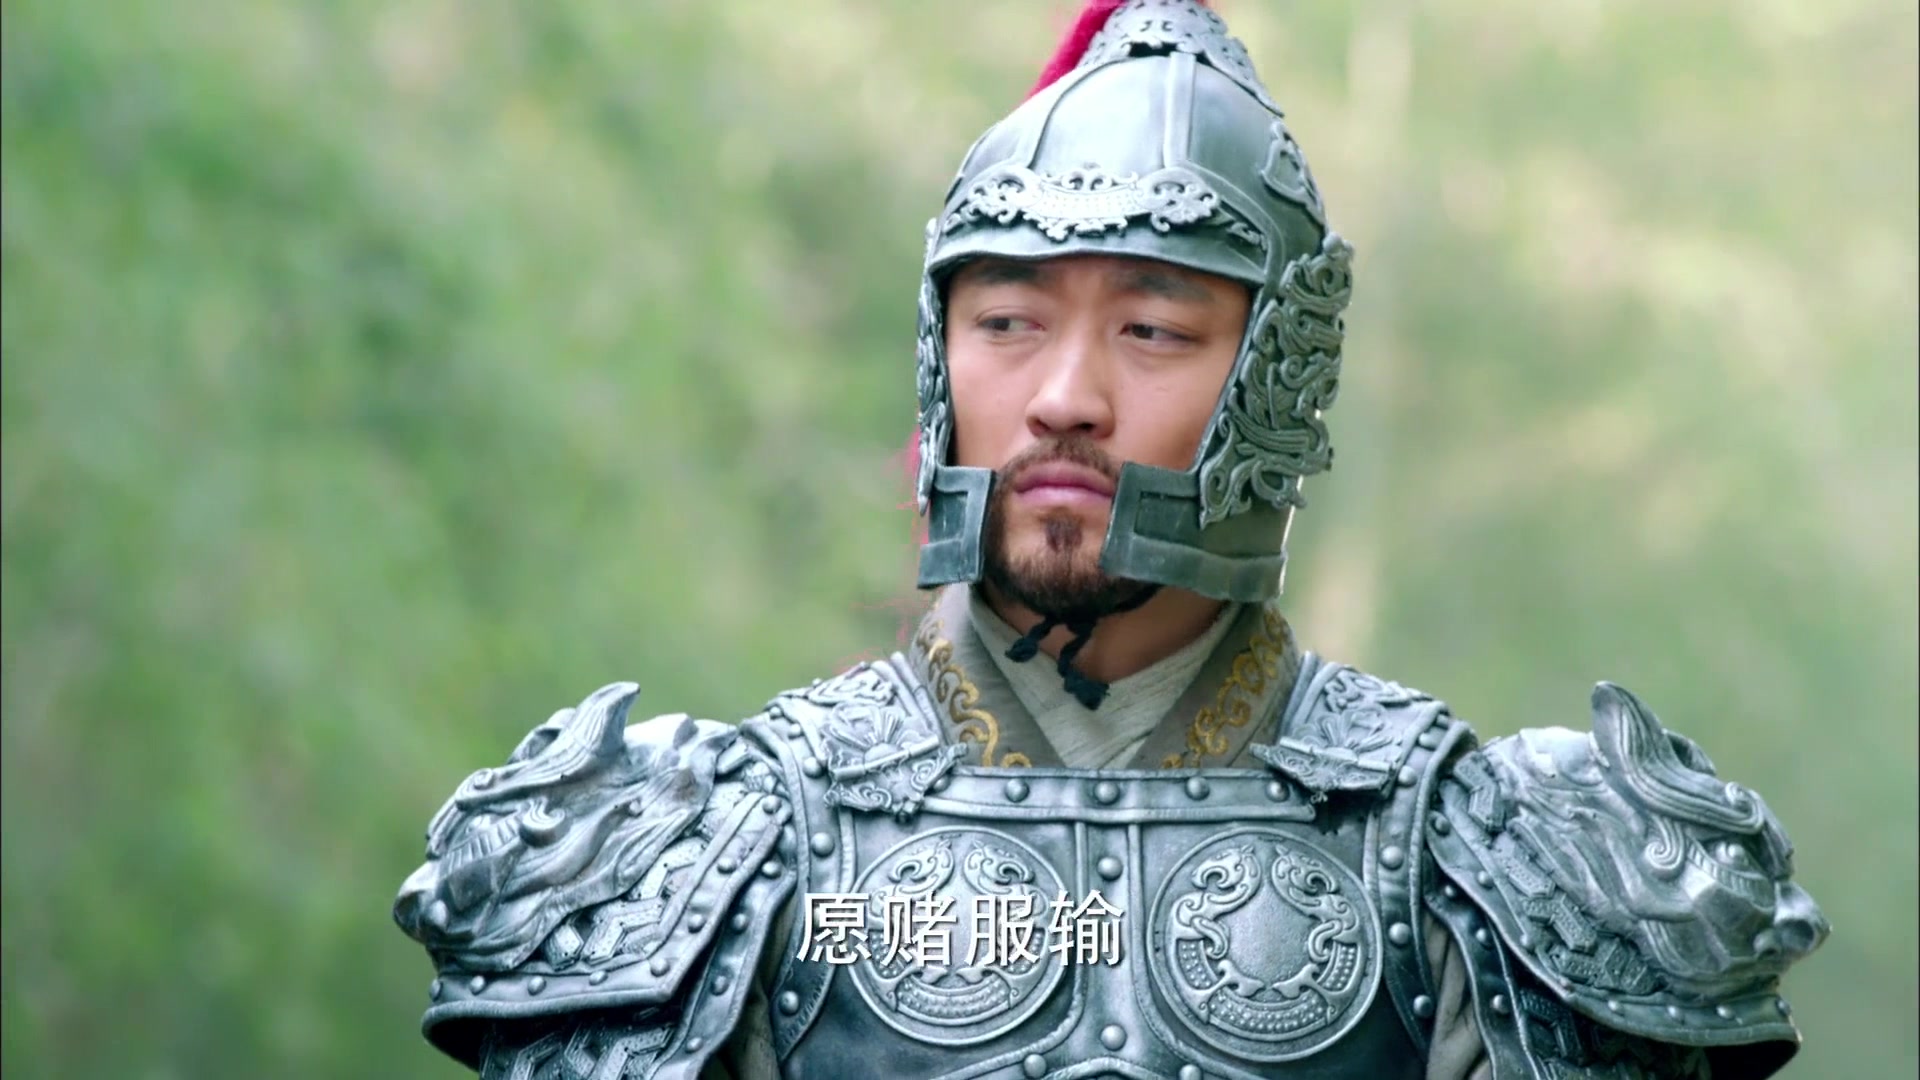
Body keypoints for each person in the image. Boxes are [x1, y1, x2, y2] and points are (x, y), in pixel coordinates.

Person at [391, 2, 1829, 1077]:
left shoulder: (1479, 863)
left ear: (1277, 377)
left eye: (1149, 330)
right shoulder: (716, 851)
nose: (1064, 397)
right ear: (940, 358)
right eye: (1008, 321)